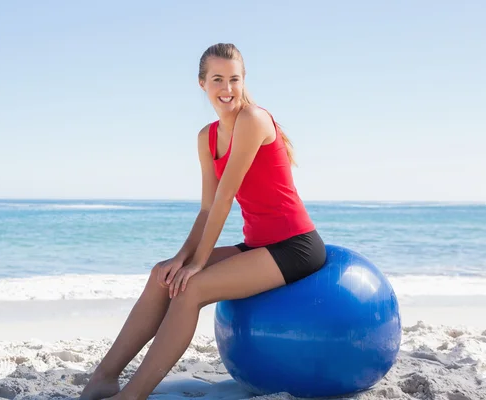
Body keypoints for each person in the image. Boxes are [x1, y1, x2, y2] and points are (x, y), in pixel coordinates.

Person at [80, 43, 327, 400]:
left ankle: (131, 396)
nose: (226, 89)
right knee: (162, 275)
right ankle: (103, 378)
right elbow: (207, 209)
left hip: (296, 247)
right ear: (202, 84)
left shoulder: (253, 120)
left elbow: (226, 198)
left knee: (190, 288)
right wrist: (181, 259)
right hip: (257, 245)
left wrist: (197, 264)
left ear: (243, 82)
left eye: (234, 79)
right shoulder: (206, 137)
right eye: (217, 80)